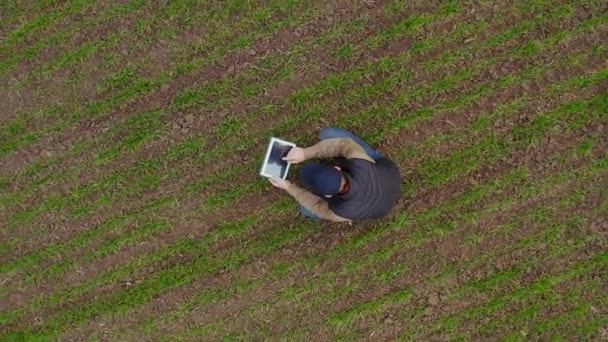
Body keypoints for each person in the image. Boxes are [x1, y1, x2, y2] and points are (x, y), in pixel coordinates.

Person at [269, 127, 401, 223]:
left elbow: (317, 205)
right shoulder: (361, 164)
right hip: (387, 177)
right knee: (328, 134)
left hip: (384, 189)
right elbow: (344, 144)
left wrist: (289, 187)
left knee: (305, 209)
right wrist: (305, 153)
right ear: (337, 168)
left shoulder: (341, 211)